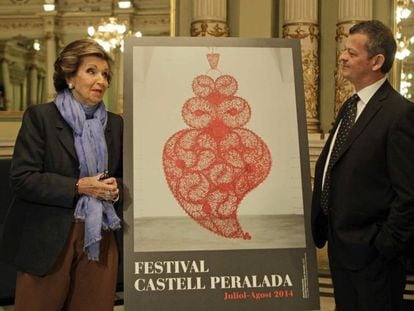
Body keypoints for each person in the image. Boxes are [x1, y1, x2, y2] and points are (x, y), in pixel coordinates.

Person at [0, 39, 123, 311]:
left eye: (105, 74)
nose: (101, 80)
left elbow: (125, 178)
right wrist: (79, 186)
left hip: (101, 236)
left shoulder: (115, 124)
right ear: (69, 76)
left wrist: (116, 188)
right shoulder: (41, 117)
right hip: (48, 235)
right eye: (91, 71)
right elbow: (23, 178)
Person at [311, 20, 414, 311]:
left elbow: (409, 195)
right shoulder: (350, 106)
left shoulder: (400, 114)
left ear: (376, 61)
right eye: (344, 51)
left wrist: (383, 247)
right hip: (341, 249)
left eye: (352, 53)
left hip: (374, 259)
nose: (342, 57)